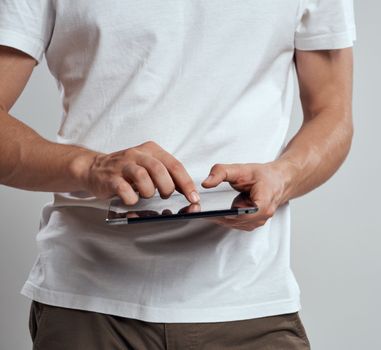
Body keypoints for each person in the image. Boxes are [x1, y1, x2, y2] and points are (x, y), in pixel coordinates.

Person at [0, 0, 356, 348]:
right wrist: (88, 167)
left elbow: (332, 113)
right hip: (87, 304)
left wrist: (283, 177)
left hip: (249, 304)